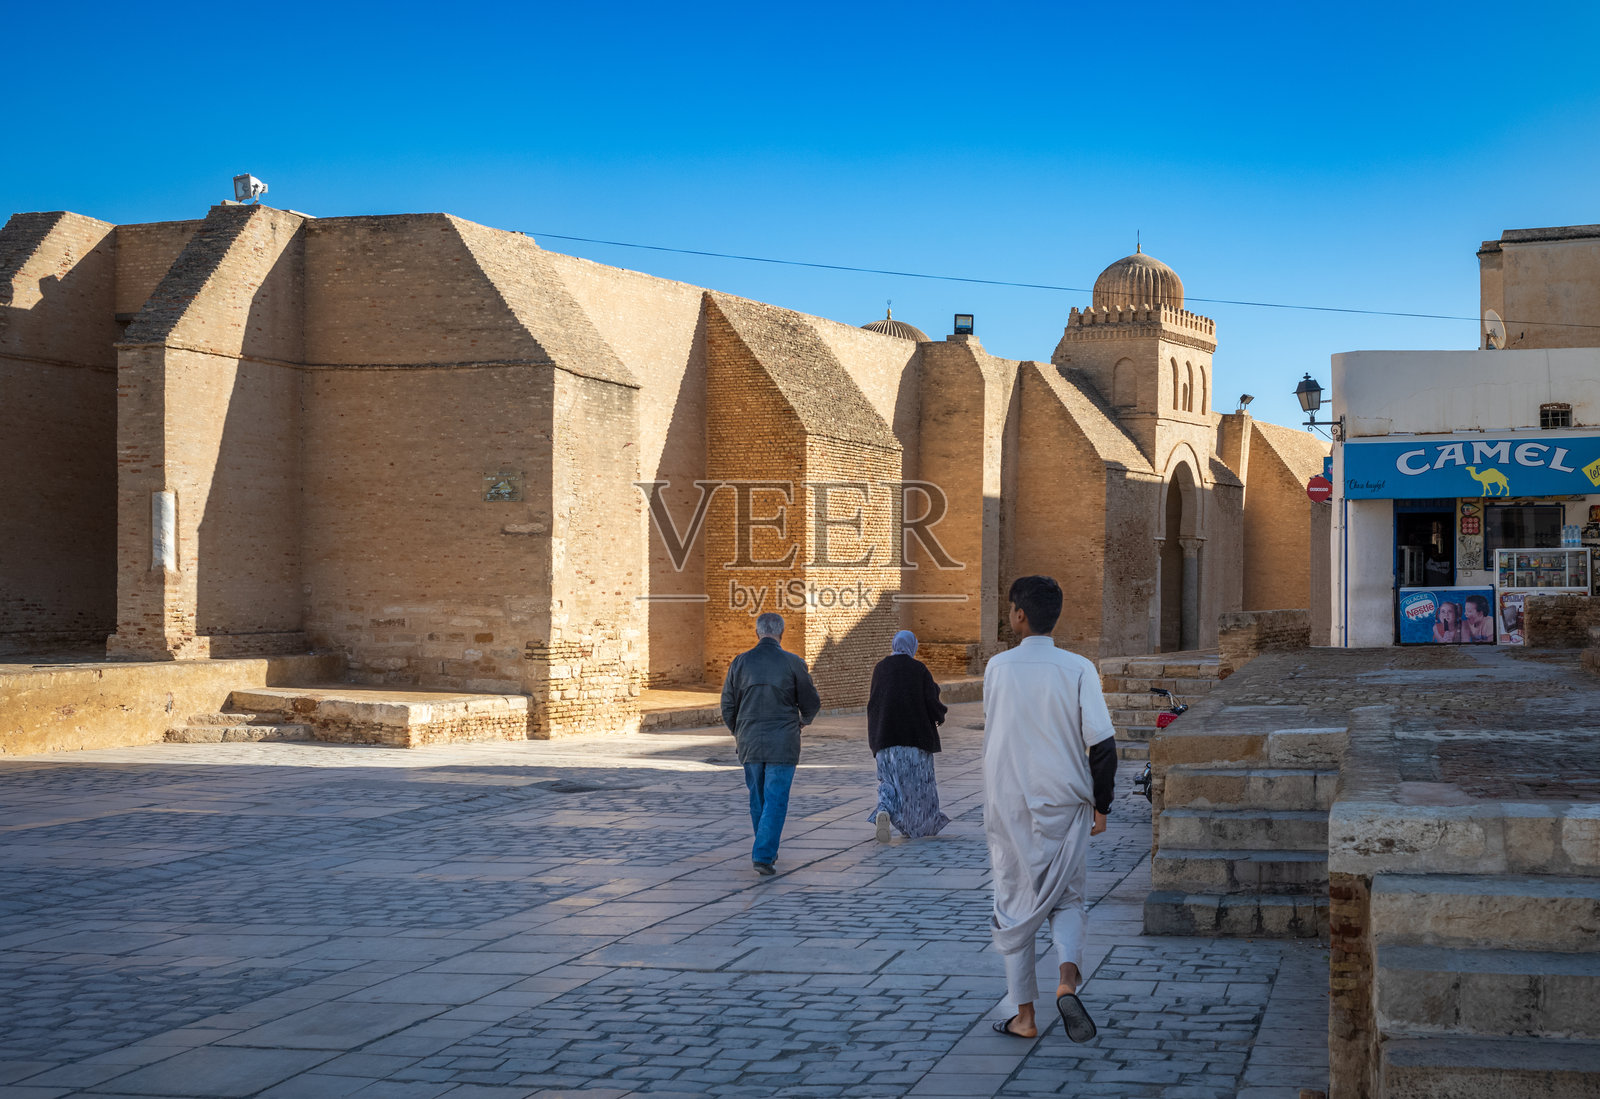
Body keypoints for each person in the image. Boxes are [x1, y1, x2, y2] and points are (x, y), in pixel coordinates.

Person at [984, 575, 1117, 1043]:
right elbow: (1102, 745)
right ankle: (1067, 980)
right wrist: (1102, 806)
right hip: (1065, 804)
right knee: (1069, 899)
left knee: (1014, 907)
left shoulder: (997, 668)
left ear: (1020, 614)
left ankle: (1024, 1016)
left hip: (1010, 805)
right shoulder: (1078, 668)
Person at [720, 612, 821, 876]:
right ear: (781, 633)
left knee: (758, 799)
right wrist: (803, 721)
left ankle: (765, 848)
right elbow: (811, 701)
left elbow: (727, 705)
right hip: (783, 741)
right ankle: (764, 853)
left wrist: (738, 731)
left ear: (757, 633)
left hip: (750, 740)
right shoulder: (793, 663)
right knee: (775, 799)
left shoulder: (740, 663)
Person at [865, 630, 950, 842]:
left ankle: (884, 810)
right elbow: (932, 701)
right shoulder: (918, 669)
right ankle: (918, 827)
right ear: (913, 646)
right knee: (918, 787)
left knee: (888, 782)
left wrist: (875, 739)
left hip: (885, 740)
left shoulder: (880, 668)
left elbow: (874, 705)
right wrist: (940, 714)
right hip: (915, 741)